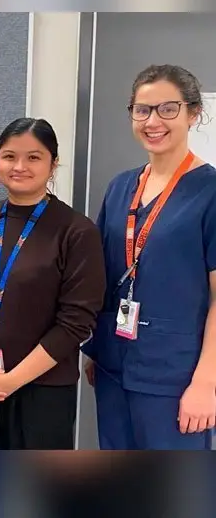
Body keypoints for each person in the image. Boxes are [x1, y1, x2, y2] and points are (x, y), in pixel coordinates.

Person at [0, 118, 106, 450]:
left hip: (43, 392)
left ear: (53, 163)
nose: (19, 166)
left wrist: (11, 381)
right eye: (9, 156)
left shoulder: (77, 231)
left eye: (33, 157)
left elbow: (76, 323)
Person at [83, 64, 216, 450]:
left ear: (194, 114)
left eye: (167, 109)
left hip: (175, 376)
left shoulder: (208, 192)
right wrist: (101, 347)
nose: (153, 121)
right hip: (113, 365)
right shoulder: (121, 186)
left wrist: (207, 382)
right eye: (142, 110)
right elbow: (109, 275)